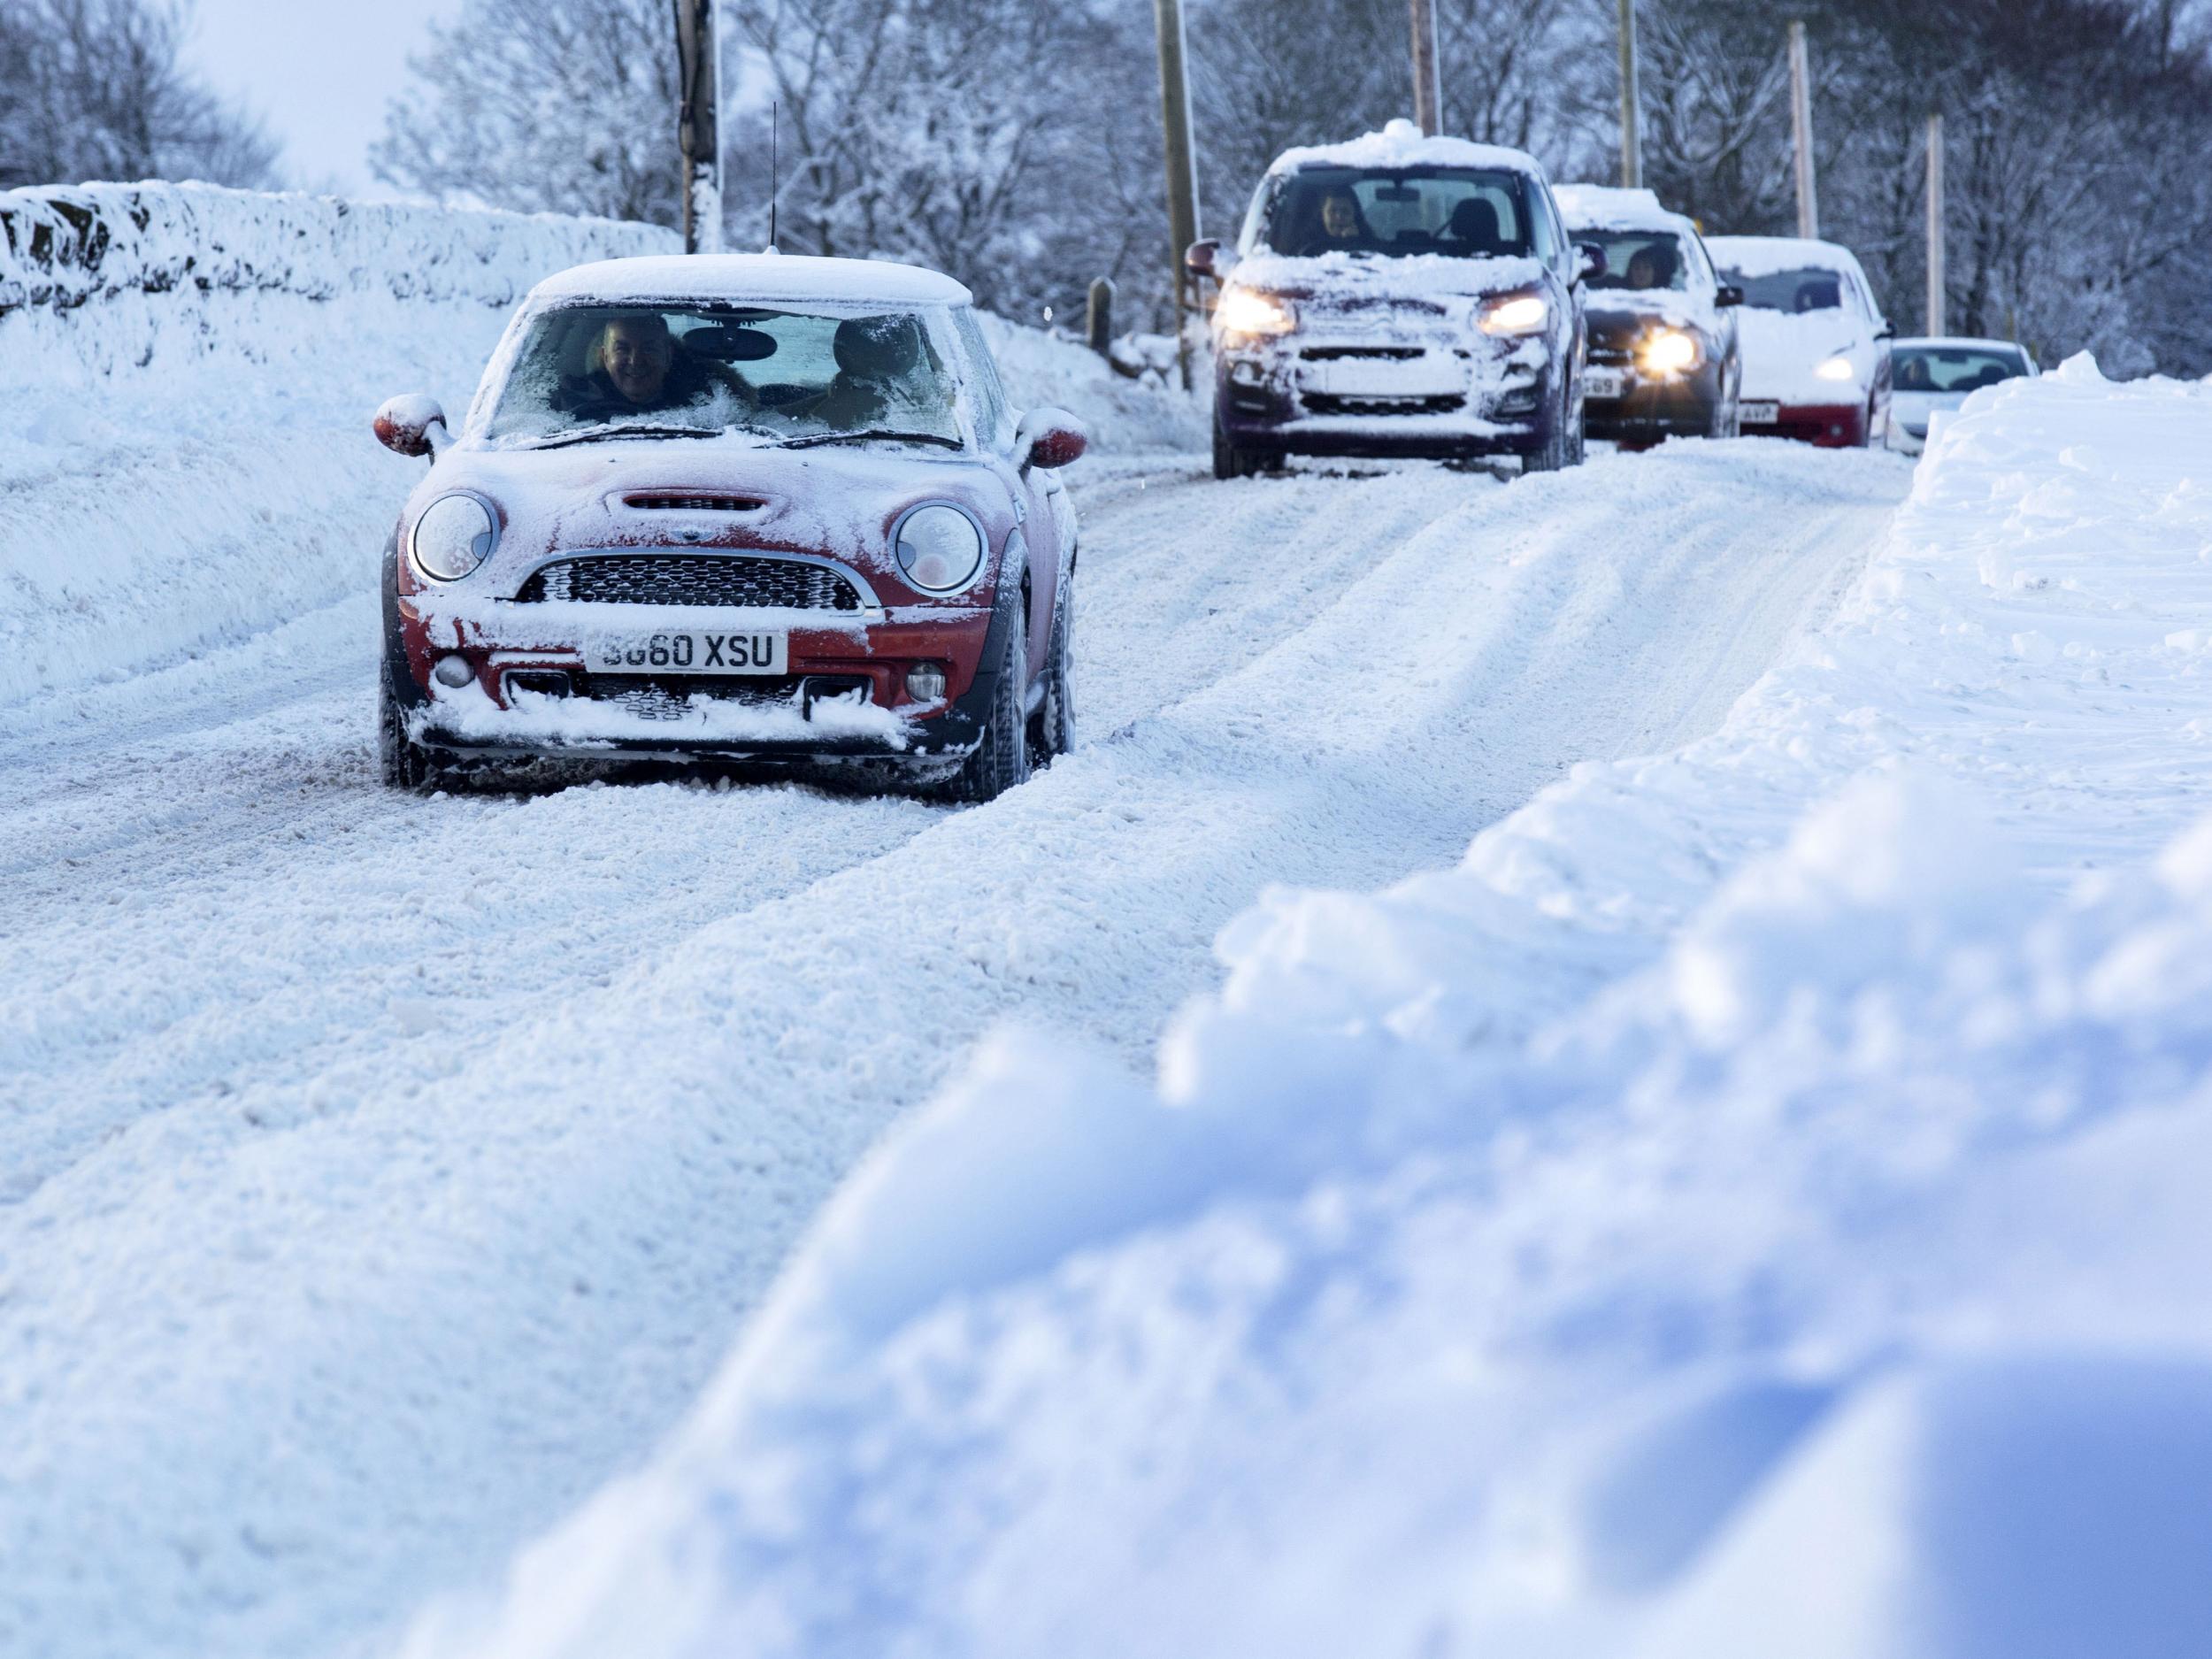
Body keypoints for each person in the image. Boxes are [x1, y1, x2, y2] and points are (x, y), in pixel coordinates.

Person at [556, 313, 749, 423]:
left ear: (668, 356)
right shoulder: (567, 402)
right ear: (605, 357)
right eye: (622, 349)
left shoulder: (712, 404)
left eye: (649, 349)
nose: (635, 360)